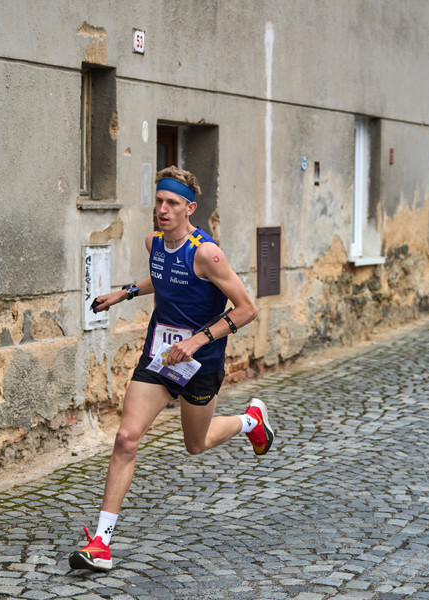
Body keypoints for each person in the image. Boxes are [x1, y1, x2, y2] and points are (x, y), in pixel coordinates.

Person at [68, 166, 275, 572]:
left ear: (189, 208)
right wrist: (125, 292)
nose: (162, 209)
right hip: (161, 357)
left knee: (195, 445)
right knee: (126, 439)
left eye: (172, 204)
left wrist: (197, 340)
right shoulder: (155, 243)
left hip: (201, 361)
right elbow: (164, 279)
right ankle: (101, 543)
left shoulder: (207, 254)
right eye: (159, 201)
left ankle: (250, 421)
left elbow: (248, 309)